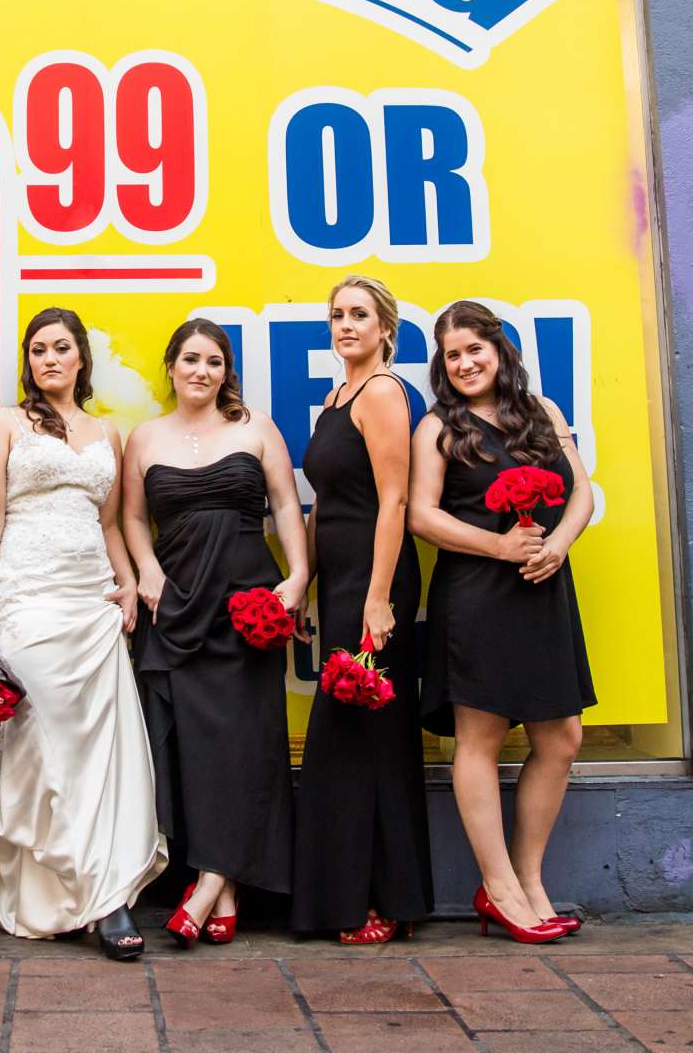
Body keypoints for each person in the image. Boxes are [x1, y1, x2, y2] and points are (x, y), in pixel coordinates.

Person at [0, 307, 166, 961]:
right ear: (28, 361)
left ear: (80, 358)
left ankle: (106, 897)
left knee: (102, 751)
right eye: (38, 349)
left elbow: (111, 523)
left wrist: (126, 583)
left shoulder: (106, 434)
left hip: (93, 602)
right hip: (26, 596)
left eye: (61, 347)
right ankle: (62, 880)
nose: (49, 358)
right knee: (43, 738)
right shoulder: (1, 424)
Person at [411, 300, 596, 943]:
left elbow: (581, 491)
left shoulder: (541, 412)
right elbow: (422, 516)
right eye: (451, 354)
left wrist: (558, 544)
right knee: (481, 741)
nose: (464, 363)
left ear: (500, 349)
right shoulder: (437, 426)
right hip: (476, 594)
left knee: (561, 738)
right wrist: (498, 546)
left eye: (474, 349)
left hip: (544, 587)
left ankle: (531, 878)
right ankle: (499, 889)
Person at [121, 317, 310, 945]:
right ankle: (220, 886)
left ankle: (206, 888)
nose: (201, 371)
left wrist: (299, 576)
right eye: (191, 359)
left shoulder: (255, 428)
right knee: (191, 754)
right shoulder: (144, 438)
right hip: (174, 607)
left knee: (246, 749)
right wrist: (146, 571)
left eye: (214, 361)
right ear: (171, 367)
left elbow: (286, 504)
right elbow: (130, 518)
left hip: (245, 604)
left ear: (226, 371)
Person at [290, 275, 434, 944]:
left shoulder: (381, 392)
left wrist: (378, 597)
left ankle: (381, 899)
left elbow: (395, 502)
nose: (345, 324)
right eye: (337, 315)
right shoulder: (336, 396)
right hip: (342, 579)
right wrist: (303, 583)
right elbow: (326, 506)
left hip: (376, 581)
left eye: (359, 315)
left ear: (385, 328)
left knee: (366, 740)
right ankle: (363, 897)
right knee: (349, 741)